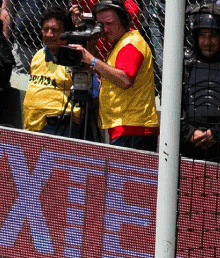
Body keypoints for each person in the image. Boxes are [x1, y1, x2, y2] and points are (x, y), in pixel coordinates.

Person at [70, 0, 157, 150]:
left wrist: (92, 60)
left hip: (132, 128)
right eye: (101, 25)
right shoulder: (120, 43)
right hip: (126, 127)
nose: (105, 30)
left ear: (123, 22)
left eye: (110, 24)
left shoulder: (131, 43)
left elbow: (124, 79)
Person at [180, 3, 220, 164]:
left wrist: (216, 132)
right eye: (203, 35)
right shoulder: (185, 67)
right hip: (189, 145)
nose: (207, 41)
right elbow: (173, 105)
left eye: (213, 35)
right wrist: (189, 132)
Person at [22, 5, 77, 133]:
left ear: (66, 33)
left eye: (55, 30)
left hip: (59, 128)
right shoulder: (38, 55)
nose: (49, 34)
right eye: (45, 29)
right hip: (32, 127)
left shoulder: (74, 58)